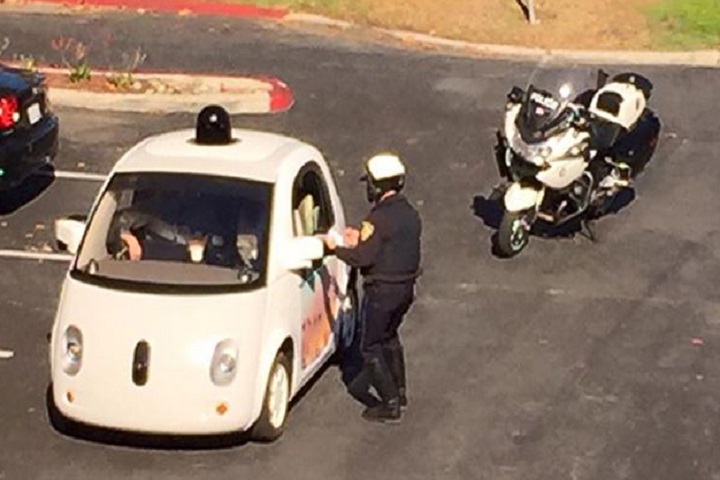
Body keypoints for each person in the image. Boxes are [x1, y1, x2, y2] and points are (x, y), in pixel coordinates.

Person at [323, 153, 422, 423]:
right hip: (405, 289)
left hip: (382, 291)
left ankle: (389, 403)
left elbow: (363, 258)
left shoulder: (377, 219)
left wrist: (336, 248)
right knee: (389, 337)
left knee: (370, 345)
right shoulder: (409, 213)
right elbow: (386, 246)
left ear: (377, 186)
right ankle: (400, 390)